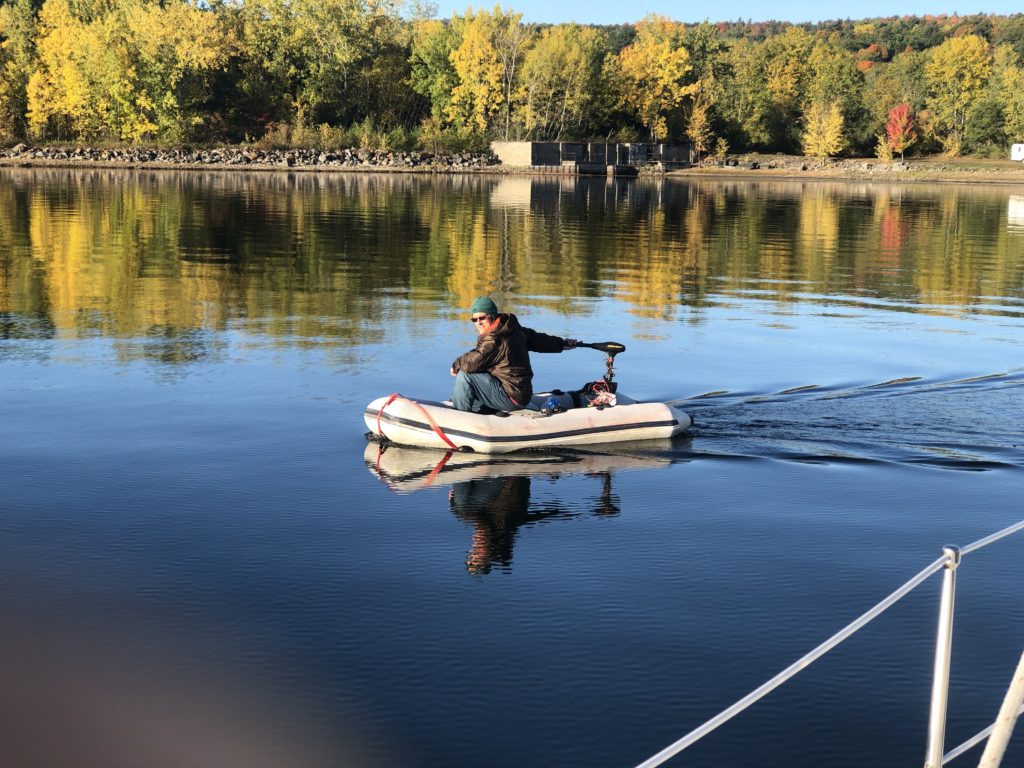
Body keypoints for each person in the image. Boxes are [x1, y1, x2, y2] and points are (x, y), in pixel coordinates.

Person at [450, 296, 578, 413]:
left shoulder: (495, 339)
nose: (478, 323)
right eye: (474, 319)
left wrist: (456, 364)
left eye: (482, 318)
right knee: (471, 381)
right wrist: (561, 343)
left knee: (465, 375)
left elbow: (474, 361)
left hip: (511, 396)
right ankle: (468, 408)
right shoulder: (512, 330)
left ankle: (459, 418)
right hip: (520, 393)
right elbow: (538, 340)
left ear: (492, 316)